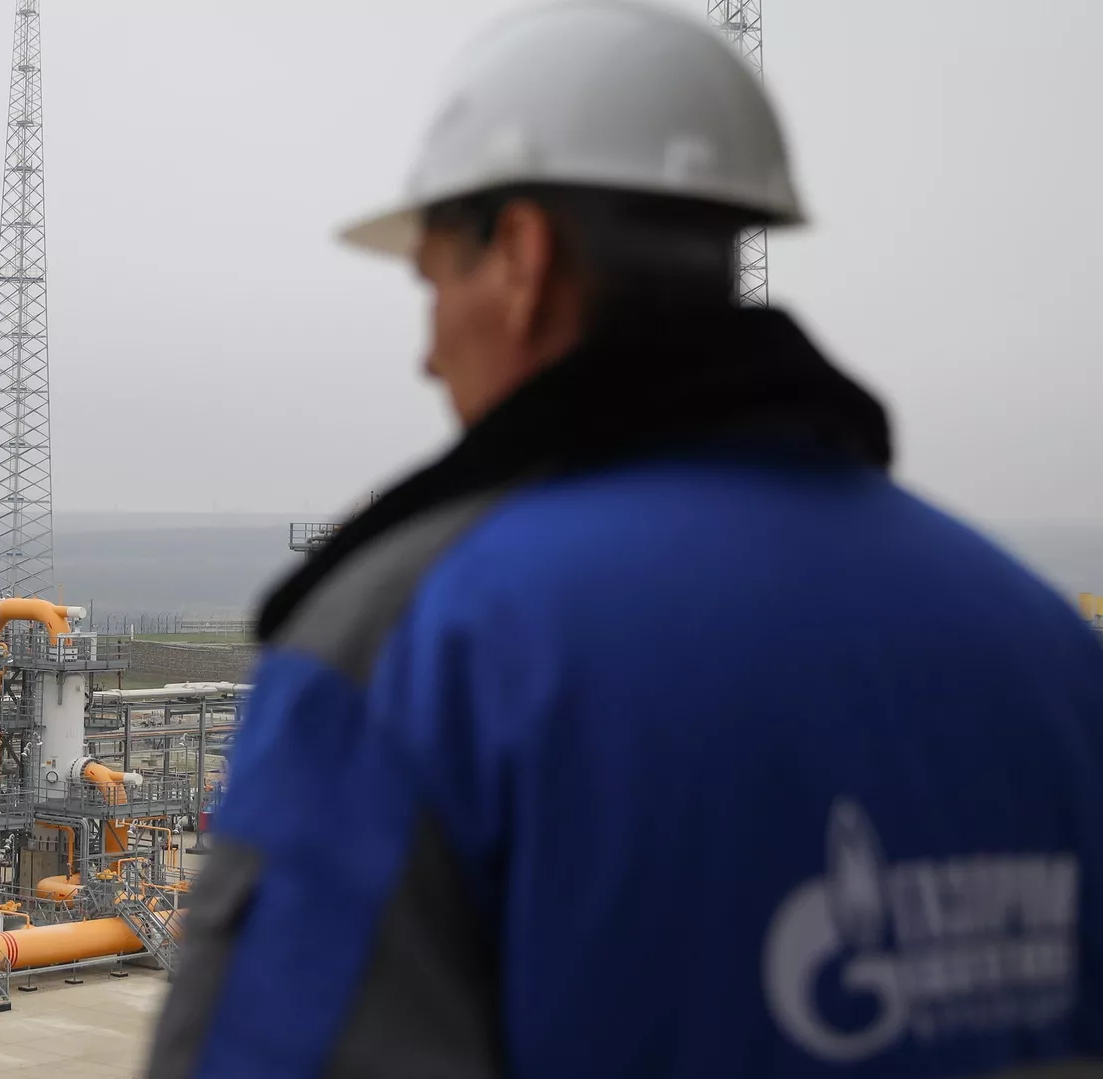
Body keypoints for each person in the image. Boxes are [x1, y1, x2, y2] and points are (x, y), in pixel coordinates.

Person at [147, 3, 1103, 1077]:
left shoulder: (421, 649)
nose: (426, 357)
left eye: (433, 283)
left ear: (520, 254)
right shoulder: (1050, 652)